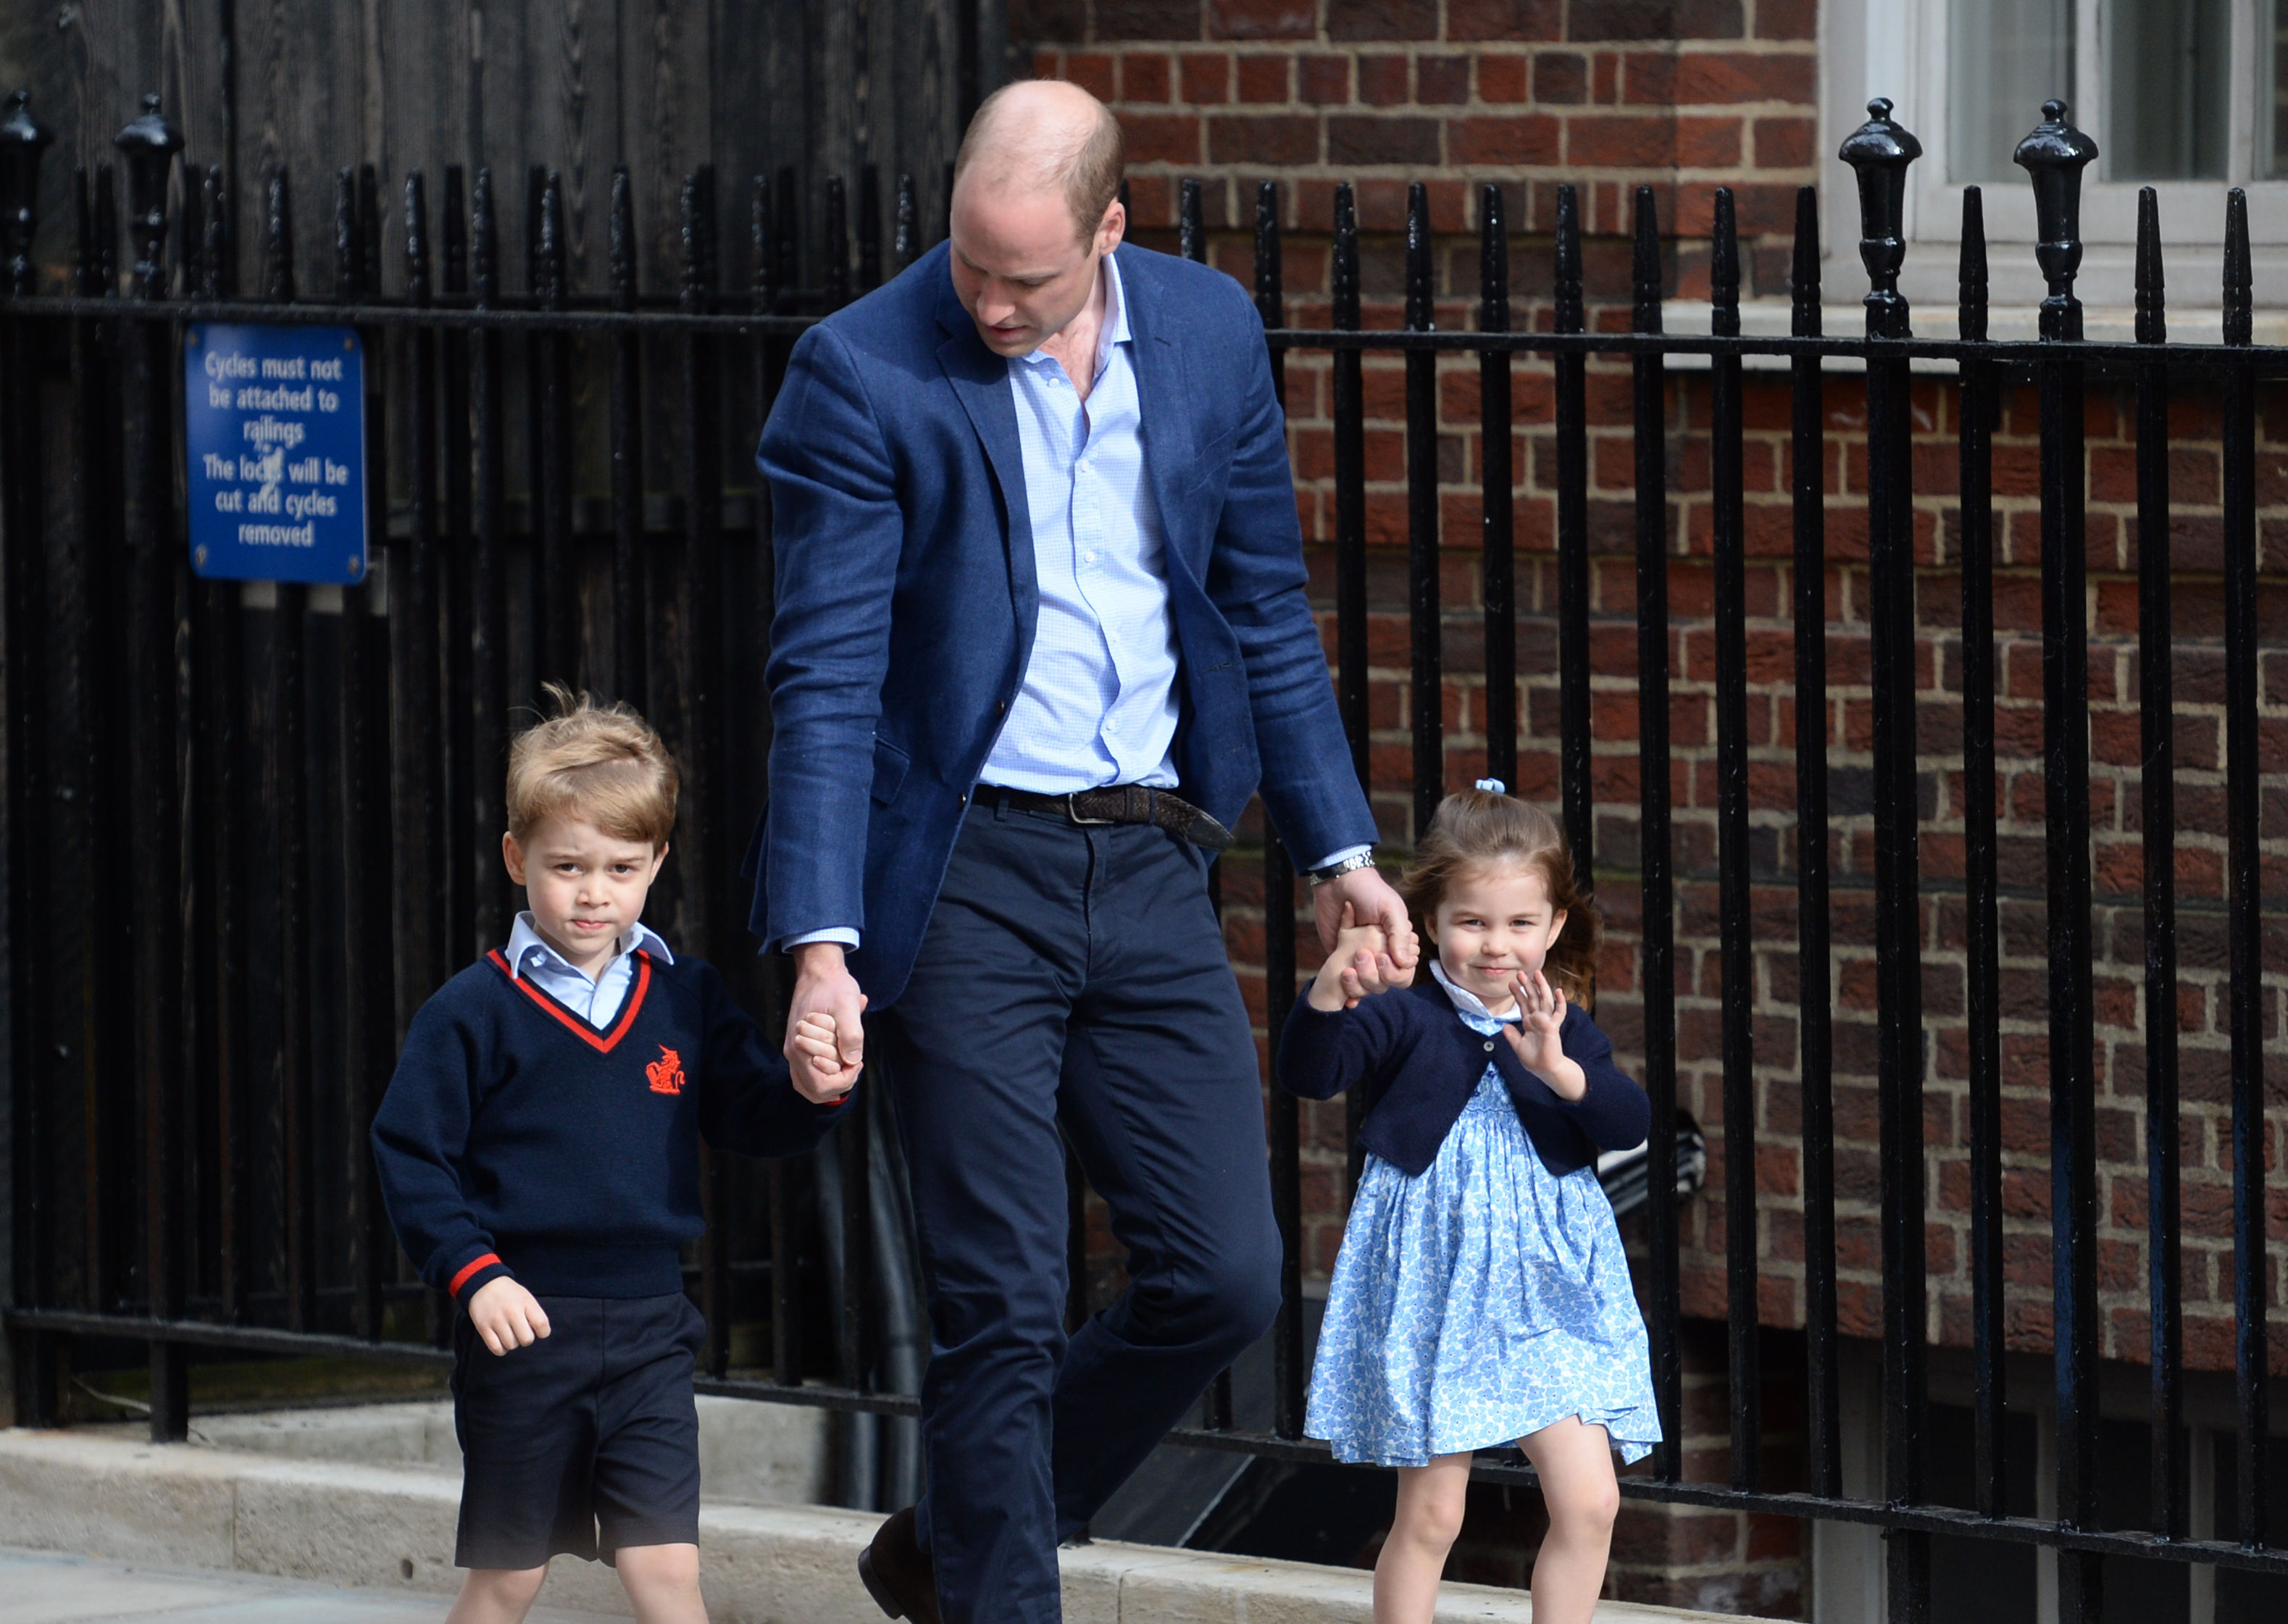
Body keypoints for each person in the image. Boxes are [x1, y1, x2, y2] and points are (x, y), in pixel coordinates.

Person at [753, 77, 1418, 1624]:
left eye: (1026, 278)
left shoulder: (1205, 333)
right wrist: (821, 944)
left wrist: (1336, 846)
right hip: (966, 873)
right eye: (967, 264)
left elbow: (1262, 602)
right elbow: (827, 679)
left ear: (1110, 229)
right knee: (1001, 1299)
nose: (986, 302)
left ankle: (957, 1536)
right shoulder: (858, 372)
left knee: (1224, 1273)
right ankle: (1003, 1592)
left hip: (1152, 861)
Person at [372, 688, 854, 1624]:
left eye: (621, 867)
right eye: (566, 864)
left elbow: (753, 1117)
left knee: (667, 1571)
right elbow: (410, 1154)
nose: (593, 890)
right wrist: (476, 1275)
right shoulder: (470, 1011)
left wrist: (811, 1089)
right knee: (509, 1577)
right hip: (523, 1334)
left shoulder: (688, 997)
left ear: (657, 863)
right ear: (517, 858)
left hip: (650, 1334)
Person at [1280, 782, 1659, 1624]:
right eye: (1471, 922)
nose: (1495, 946)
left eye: (1519, 924)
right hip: (1436, 1285)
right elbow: (1311, 1074)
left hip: (1544, 1292)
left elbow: (1628, 1119)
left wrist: (1559, 1070)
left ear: (1554, 925)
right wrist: (1327, 993)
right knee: (1432, 1514)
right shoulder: (1404, 1015)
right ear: (1429, 921)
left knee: (1590, 1500)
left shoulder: (1560, 1020)